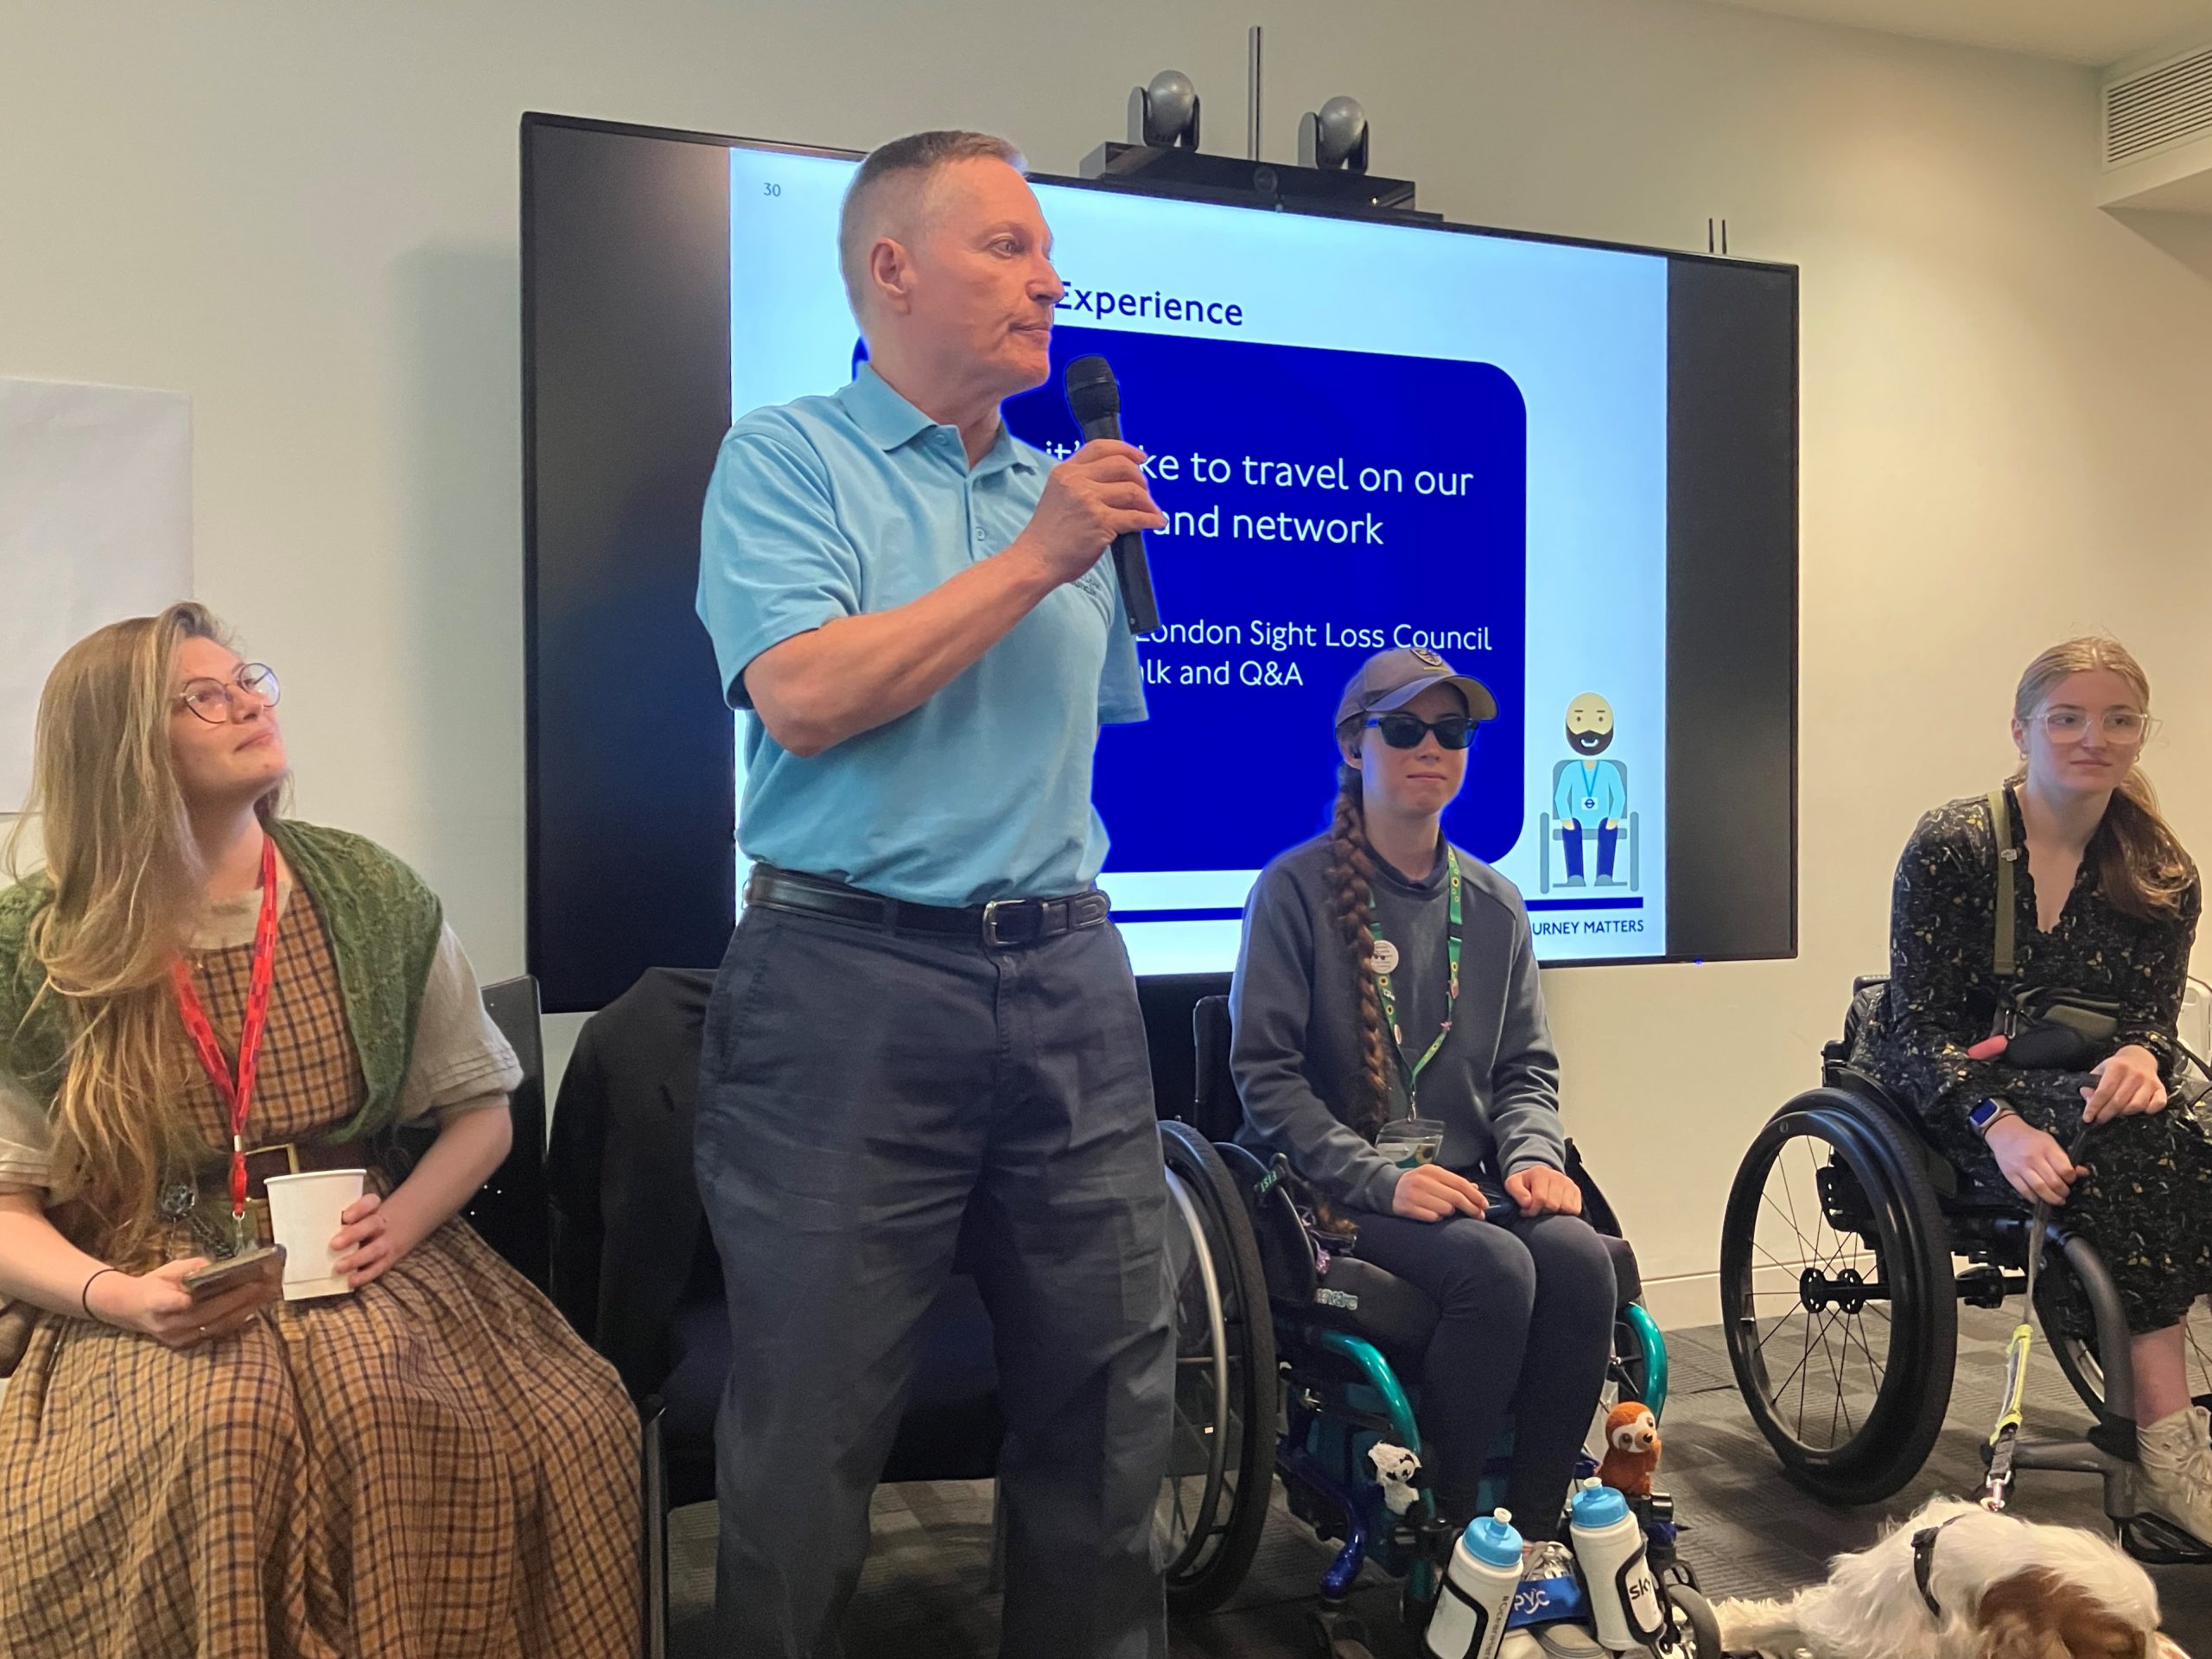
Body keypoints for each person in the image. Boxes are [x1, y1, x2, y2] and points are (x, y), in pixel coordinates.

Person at [692, 130, 1173, 1659]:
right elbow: (808, 697)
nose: (1051, 281)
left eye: (1047, 253)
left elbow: (1061, 756)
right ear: (890, 268)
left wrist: (1055, 543)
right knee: (810, 1425)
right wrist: (1036, 558)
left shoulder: (1065, 501)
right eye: (1007, 248)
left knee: (1108, 1406)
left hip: (1070, 977)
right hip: (846, 981)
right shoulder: (788, 459)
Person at [0, 604, 641, 1656]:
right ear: (121, 747)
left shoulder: (367, 896)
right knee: (221, 1432)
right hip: (150, 1261)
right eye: (203, 695)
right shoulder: (39, 947)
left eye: (248, 677)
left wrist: (403, 1225)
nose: (249, 700)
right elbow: (8, 1205)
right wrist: (120, 1299)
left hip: (366, 1240)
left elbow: (481, 1117)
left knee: (489, 1416)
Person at [1230, 645, 1617, 1543]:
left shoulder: (1495, 903)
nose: (1429, 745)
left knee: (1579, 1256)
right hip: (1333, 1195)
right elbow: (1268, 1082)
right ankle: (1442, 1528)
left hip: (1473, 1181)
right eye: (1402, 728)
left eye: (1450, 730)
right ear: (1353, 746)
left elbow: (1526, 1071)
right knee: (1494, 1268)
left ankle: (1534, 1522)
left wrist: (1532, 1158)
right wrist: (1380, 1178)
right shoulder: (1292, 890)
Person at [1863, 635, 2212, 1543]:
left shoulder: (2162, 873)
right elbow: (1916, 1028)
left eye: (2117, 719)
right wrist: (1999, 1123)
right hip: (1952, 1086)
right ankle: (2169, 1440)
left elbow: (2148, 1018)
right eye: (2066, 717)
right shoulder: (1954, 845)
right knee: (2144, 1148)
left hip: (2084, 1078)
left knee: (2174, 1119)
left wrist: (2141, 1051)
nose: (2091, 736)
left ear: (2142, 735)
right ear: (2022, 730)